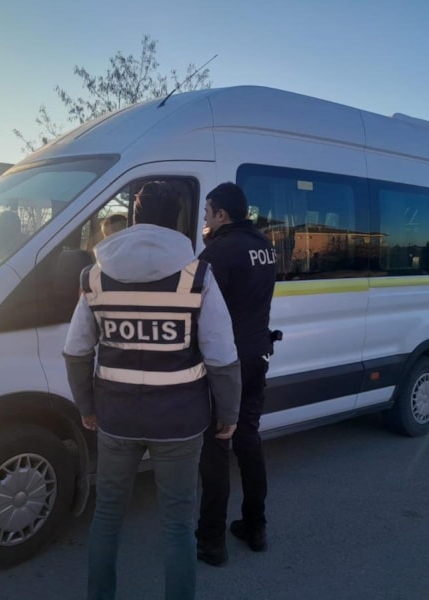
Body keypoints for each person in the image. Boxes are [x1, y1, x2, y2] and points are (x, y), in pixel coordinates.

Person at [63, 181, 241, 600]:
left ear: (135, 218)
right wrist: (228, 414)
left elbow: (76, 351)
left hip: (116, 419)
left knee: (107, 517)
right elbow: (222, 355)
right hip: (180, 423)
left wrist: (87, 407)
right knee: (177, 526)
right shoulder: (197, 276)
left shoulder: (95, 277)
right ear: (176, 222)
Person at [196, 182, 277, 566]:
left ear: (221, 214)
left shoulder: (217, 253)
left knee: (216, 446)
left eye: (207, 212)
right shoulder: (265, 246)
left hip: (226, 365)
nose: (205, 218)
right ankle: (256, 526)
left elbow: (198, 309)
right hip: (258, 354)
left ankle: (211, 540)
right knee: (248, 440)